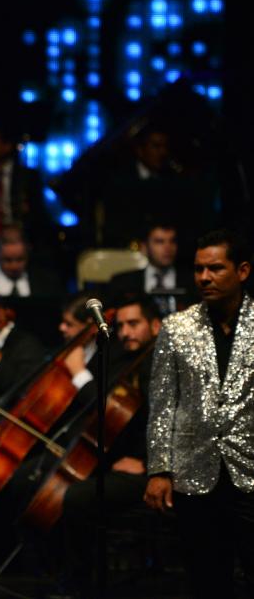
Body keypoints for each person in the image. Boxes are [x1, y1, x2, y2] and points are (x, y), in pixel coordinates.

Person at [144, 229, 254, 598]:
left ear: (242, 271)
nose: (204, 278)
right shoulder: (177, 328)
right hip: (195, 473)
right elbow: (162, 403)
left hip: (250, 471)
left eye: (216, 268)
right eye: (198, 269)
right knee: (207, 580)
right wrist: (160, 468)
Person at [59, 296, 161, 595]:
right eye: (122, 326)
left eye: (134, 324)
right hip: (123, 457)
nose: (126, 332)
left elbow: (169, 420)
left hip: (152, 467)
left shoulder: (158, 361)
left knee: (78, 496)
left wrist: (146, 463)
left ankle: (80, 584)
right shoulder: (125, 358)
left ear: (155, 325)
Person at [106, 222, 194, 316]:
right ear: (144, 247)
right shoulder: (122, 283)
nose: (168, 247)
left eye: (172, 241)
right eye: (159, 241)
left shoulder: (192, 281)